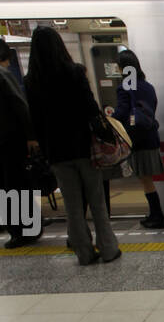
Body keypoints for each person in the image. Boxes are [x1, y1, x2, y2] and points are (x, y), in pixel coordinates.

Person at [24, 26, 121, 266]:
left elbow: (34, 120)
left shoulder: (31, 81)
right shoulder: (75, 72)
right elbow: (90, 109)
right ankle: (108, 249)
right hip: (84, 149)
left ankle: (84, 253)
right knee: (97, 201)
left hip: (56, 153)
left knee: (73, 206)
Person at [0, 37, 45, 248]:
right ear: (1, 57)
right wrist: (31, 135)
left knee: (0, 188)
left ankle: (12, 229)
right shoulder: (0, 74)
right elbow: (20, 104)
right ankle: (26, 230)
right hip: (11, 140)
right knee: (16, 185)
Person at [111, 48, 164, 228]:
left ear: (123, 68)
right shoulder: (147, 86)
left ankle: (158, 216)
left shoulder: (125, 88)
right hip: (150, 136)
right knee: (147, 179)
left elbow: (121, 112)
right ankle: (155, 214)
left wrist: (109, 117)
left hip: (137, 140)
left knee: (145, 180)